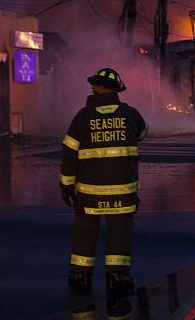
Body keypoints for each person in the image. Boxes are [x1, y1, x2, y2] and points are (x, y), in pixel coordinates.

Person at [60, 67, 148, 295]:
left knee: (84, 231)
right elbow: (142, 132)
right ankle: (117, 280)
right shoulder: (131, 114)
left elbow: (69, 152)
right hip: (122, 191)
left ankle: (80, 278)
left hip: (89, 193)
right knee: (119, 233)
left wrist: (66, 185)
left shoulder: (82, 117)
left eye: (94, 84)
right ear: (117, 90)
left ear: (97, 88)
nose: (91, 87)